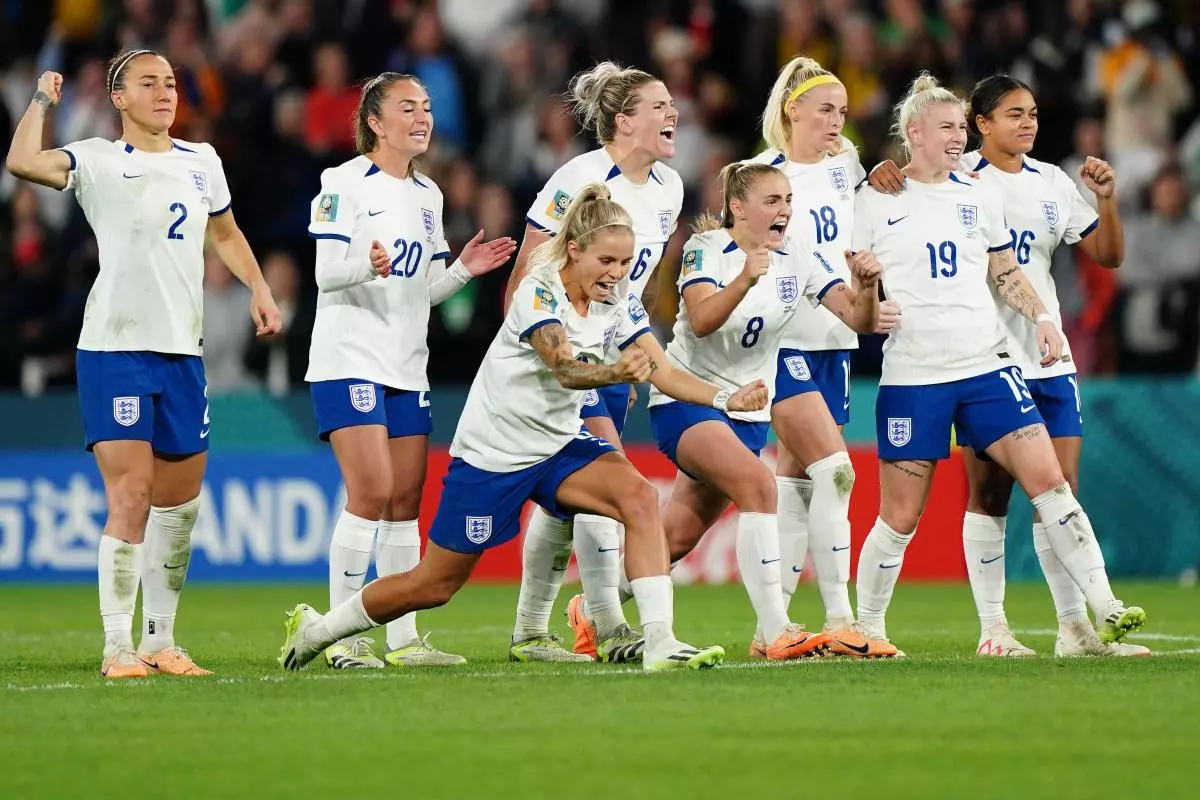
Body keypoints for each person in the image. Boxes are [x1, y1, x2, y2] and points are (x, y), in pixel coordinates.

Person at [281, 185, 768, 672]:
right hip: (496, 454)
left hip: (558, 444)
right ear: (574, 251)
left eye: (625, 263)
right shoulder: (539, 291)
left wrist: (726, 398)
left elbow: (664, 371)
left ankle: (660, 640)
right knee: (433, 585)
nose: (617, 275)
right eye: (606, 261)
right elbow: (565, 368)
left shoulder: (618, 302)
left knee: (638, 497)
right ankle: (321, 629)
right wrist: (617, 372)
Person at [4, 52, 283, 678]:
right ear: (119, 98)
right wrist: (43, 101)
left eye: (172, 83)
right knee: (131, 493)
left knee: (180, 509)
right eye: (148, 83)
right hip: (115, 349)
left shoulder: (201, 160)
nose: (165, 92)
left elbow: (226, 234)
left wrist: (260, 288)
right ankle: (116, 648)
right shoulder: (98, 159)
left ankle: (160, 640)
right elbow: (22, 161)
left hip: (183, 352)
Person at [851, 73, 1145, 655]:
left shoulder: (977, 193)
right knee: (902, 516)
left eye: (961, 127)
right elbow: (856, 289)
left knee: (1052, 485)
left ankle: (1104, 608)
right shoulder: (876, 197)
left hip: (989, 365)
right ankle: (869, 628)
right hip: (915, 374)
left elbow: (1004, 269)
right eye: (948, 128)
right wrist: (865, 304)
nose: (958, 137)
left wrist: (1040, 316)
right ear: (914, 133)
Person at [630, 160, 882, 661]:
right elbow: (700, 320)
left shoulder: (799, 256)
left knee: (678, 533)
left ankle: (592, 609)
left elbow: (859, 319)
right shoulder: (706, 250)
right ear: (738, 207)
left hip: (748, 412)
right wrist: (744, 278)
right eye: (772, 201)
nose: (784, 210)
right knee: (760, 485)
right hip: (687, 399)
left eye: (787, 200)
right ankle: (776, 630)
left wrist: (868, 285)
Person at [306, 73, 517, 669]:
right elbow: (325, 274)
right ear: (375, 121)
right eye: (408, 107)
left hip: (405, 363)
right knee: (369, 494)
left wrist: (465, 271)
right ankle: (338, 637)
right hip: (349, 357)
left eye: (426, 107)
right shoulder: (341, 183)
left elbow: (423, 290)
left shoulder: (429, 195)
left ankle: (401, 641)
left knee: (403, 504)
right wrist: (363, 266)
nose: (423, 117)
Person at [501, 62, 685, 662]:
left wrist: (630, 351)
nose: (672, 114)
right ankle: (607, 624)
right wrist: (534, 349)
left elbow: (635, 285)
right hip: (562, 351)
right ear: (623, 121)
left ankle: (531, 630)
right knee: (610, 480)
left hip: (613, 354)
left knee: (569, 496)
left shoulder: (669, 188)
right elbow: (529, 267)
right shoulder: (578, 177)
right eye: (658, 106)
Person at [749, 56, 899, 658]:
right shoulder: (759, 173)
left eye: (842, 110)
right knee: (836, 470)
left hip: (835, 341)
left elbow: (860, 230)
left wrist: (887, 175)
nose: (838, 120)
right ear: (793, 111)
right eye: (826, 110)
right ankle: (841, 619)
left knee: (795, 481)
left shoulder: (846, 166)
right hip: (781, 341)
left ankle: (773, 631)